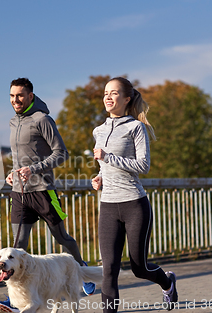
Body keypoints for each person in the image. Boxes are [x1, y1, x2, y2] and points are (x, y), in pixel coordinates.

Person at [0, 78, 96, 313]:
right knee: (17, 247)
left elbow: (62, 154)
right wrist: (13, 173)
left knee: (62, 238)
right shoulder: (13, 122)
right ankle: (14, 298)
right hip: (20, 193)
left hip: (44, 191)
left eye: (19, 95)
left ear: (30, 96)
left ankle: (82, 270)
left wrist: (34, 169)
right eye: (11, 96)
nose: (15, 100)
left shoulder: (43, 120)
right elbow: (20, 158)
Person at [92, 77, 178, 312]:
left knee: (139, 267)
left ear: (127, 99)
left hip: (134, 204)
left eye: (114, 93)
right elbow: (105, 167)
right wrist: (101, 176)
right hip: (108, 205)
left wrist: (107, 157)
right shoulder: (98, 131)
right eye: (105, 93)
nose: (108, 97)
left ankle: (167, 282)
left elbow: (143, 166)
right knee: (109, 268)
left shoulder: (135, 128)